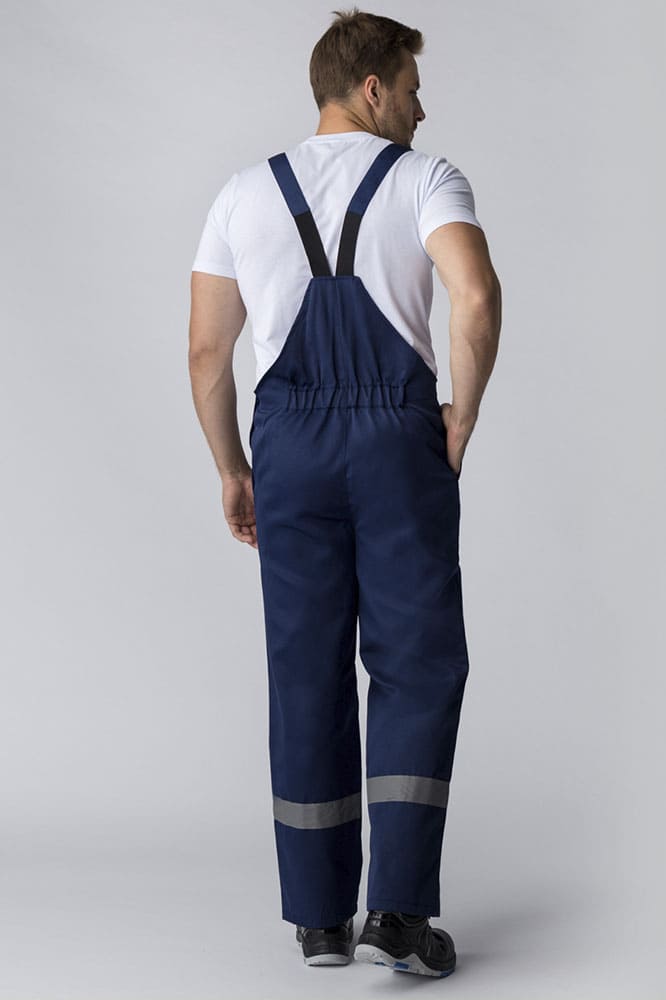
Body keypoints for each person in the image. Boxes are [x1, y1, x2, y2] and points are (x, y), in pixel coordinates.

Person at [188, 7, 501, 979]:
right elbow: (476, 297)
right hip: (397, 442)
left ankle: (320, 920)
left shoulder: (243, 194)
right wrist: (461, 416)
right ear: (372, 89)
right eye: (411, 87)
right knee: (416, 663)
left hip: (289, 447)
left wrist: (232, 467)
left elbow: (206, 352)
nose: (421, 108)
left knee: (305, 669)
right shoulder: (426, 180)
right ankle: (397, 915)